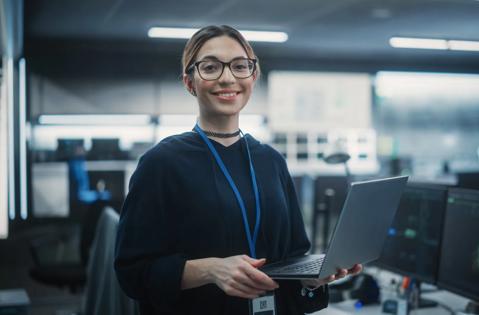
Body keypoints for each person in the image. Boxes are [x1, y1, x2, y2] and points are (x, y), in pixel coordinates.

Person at [114, 25, 362, 314]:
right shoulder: (162, 163)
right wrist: (210, 270)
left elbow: (294, 255)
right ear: (189, 82)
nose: (227, 78)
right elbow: (132, 273)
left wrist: (310, 278)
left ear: (253, 77)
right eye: (210, 67)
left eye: (239, 66)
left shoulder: (271, 160)